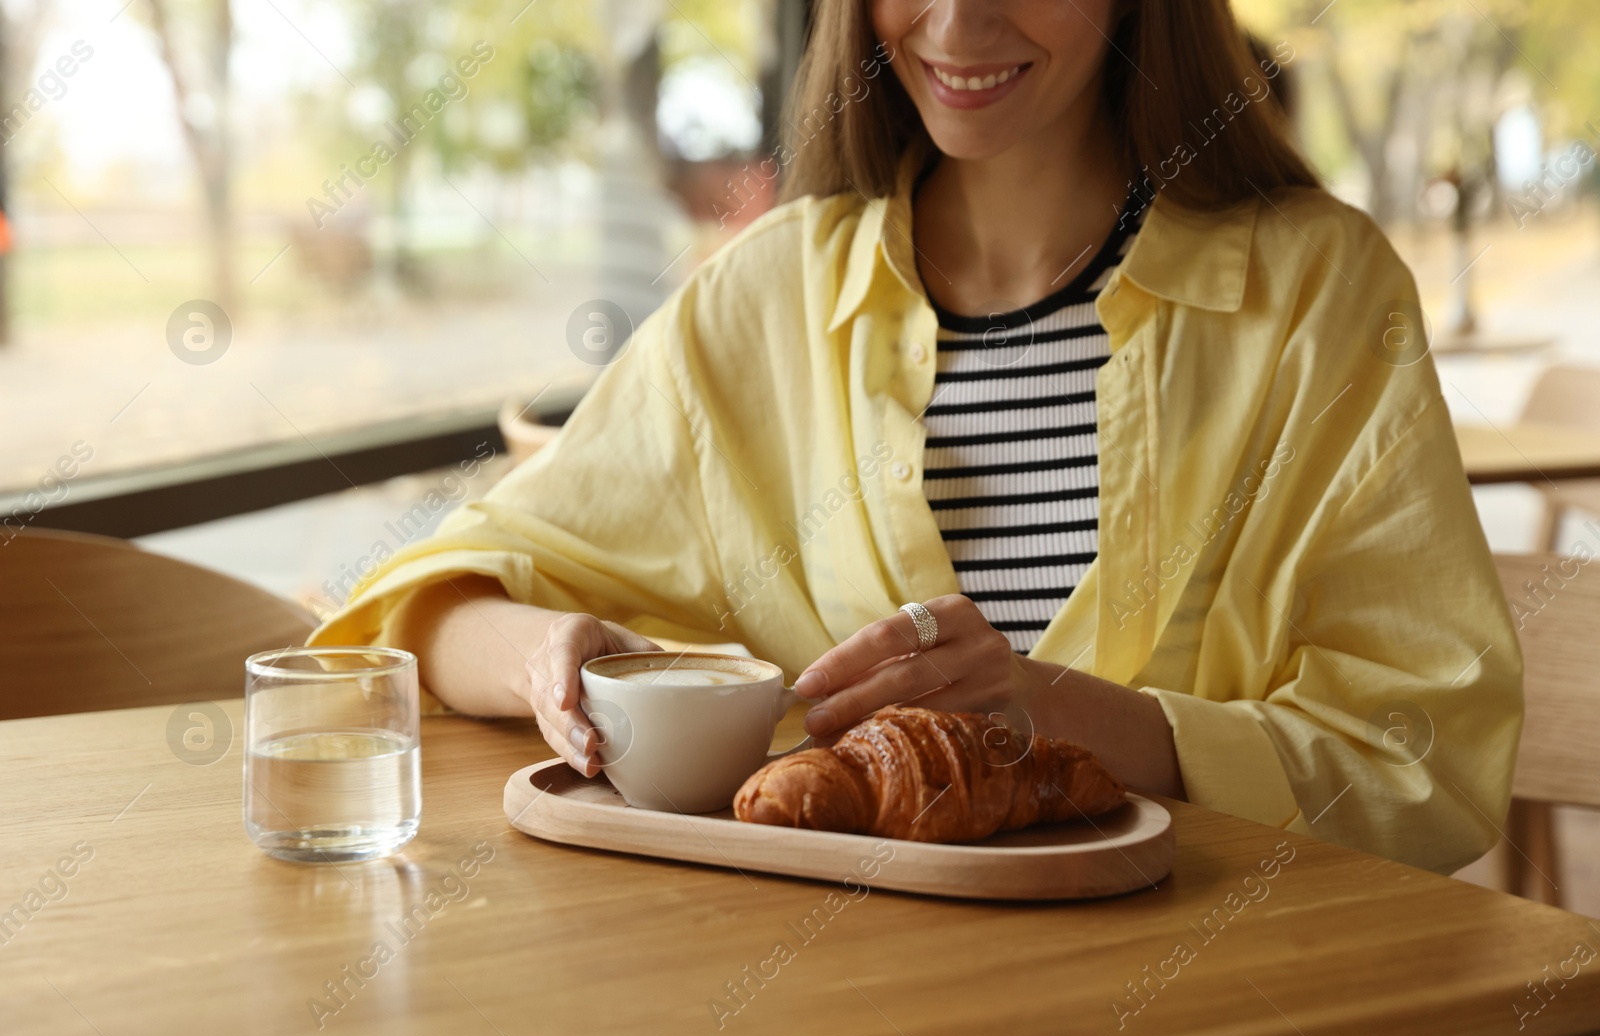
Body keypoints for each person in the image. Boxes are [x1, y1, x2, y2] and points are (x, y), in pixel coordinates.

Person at [311, 0, 1521, 875]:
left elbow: (1428, 756)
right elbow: (420, 608)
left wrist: (1057, 713)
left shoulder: (1317, 291)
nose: (955, 21)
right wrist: (544, 654)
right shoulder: (764, 297)